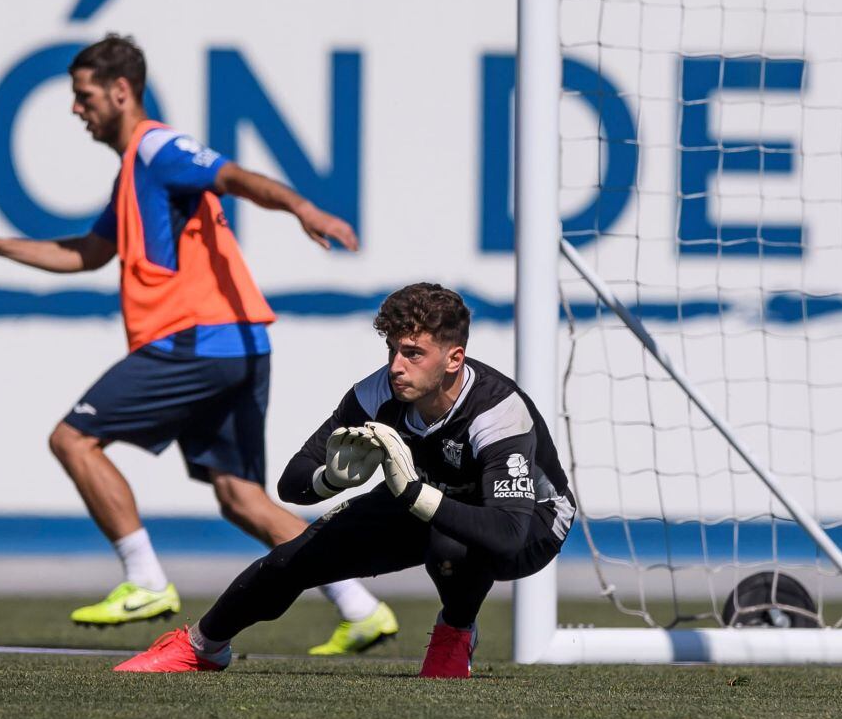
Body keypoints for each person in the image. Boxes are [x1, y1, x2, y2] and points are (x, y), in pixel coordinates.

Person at [0, 34, 397, 655]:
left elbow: (233, 175)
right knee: (240, 499)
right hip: (237, 345)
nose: (77, 111)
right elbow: (87, 253)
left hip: (197, 340)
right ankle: (362, 606)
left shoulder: (157, 148)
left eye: (83, 97)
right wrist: (1, 246)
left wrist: (300, 207)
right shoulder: (133, 172)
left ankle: (145, 579)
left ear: (120, 91)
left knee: (72, 438)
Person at [115, 283, 577, 678]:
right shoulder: (379, 391)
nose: (397, 365)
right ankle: (202, 647)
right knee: (296, 556)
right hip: (427, 497)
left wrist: (415, 495)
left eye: (413, 353)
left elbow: (509, 534)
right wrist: (329, 479)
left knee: (452, 543)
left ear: (454, 359)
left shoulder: (496, 411)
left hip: (530, 523)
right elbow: (290, 483)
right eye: (393, 349)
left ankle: (455, 631)